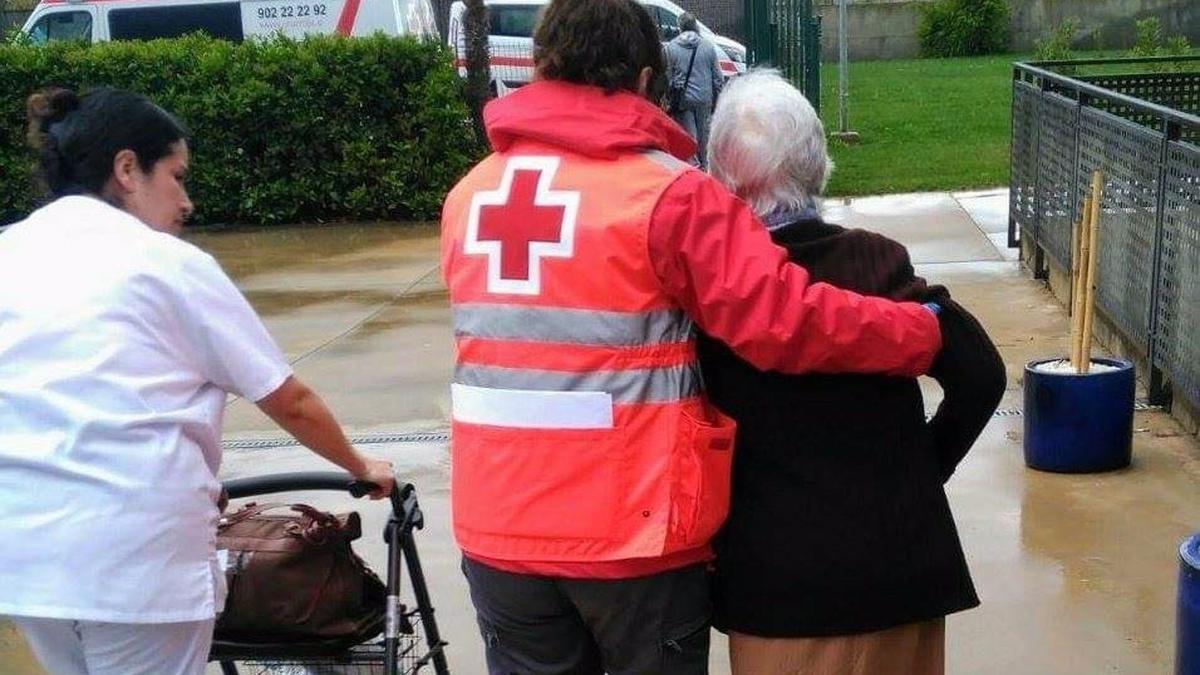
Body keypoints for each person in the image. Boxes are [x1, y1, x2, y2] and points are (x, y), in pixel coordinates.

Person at [440, 1, 945, 673]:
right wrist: (916, 334)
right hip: (631, 534)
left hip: (499, 533)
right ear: (648, 78)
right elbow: (784, 320)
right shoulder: (671, 197)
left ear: (538, 67)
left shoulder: (470, 197)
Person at [0, 87, 395, 675]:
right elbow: (291, 401)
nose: (185, 201)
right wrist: (361, 467)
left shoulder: (11, 251)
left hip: (25, 555)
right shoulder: (168, 265)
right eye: (177, 176)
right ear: (128, 168)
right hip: (137, 556)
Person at [702, 70, 1006, 675]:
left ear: (723, 182)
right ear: (818, 168)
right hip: (902, 570)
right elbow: (980, 374)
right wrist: (920, 470)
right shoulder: (879, 262)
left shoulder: (716, 291)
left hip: (784, 593)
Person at [664, 12, 723, 168]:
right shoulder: (708, 47)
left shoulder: (672, 47)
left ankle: (695, 168)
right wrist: (717, 98)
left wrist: (669, 96)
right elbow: (718, 78)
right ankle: (706, 166)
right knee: (705, 137)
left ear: (680, 27)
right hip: (705, 98)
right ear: (695, 26)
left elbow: (668, 77)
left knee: (691, 138)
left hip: (684, 100)